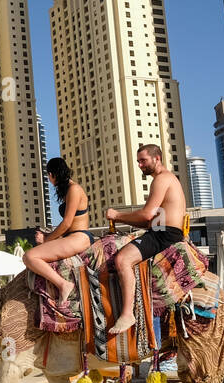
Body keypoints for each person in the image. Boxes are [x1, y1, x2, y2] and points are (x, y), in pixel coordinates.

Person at [105, 144, 186, 335]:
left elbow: (147, 215)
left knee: (122, 260)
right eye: (138, 162)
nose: (140, 165)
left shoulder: (162, 179)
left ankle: (127, 314)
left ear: (157, 158)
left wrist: (116, 215)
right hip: (160, 231)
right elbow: (150, 223)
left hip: (164, 234)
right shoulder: (165, 179)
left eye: (143, 160)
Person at [22, 157, 95, 302]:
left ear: (51, 174)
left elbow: (67, 223)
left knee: (29, 257)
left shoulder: (74, 189)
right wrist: (47, 235)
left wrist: (46, 239)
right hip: (72, 237)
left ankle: (63, 284)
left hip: (80, 237)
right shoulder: (69, 190)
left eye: (48, 176)